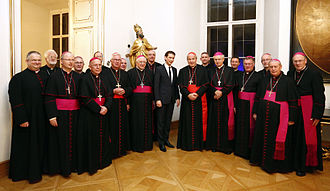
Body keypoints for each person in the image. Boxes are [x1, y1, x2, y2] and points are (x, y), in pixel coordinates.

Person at [250, 59, 298, 173]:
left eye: (275, 66)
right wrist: (255, 111)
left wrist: (291, 118)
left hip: (279, 117)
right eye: (271, 67)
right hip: (263, 115)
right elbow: (258, 97)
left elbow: (293, 101)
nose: (273, 69)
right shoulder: (264, 80)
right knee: (262, 137)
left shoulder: (288, 81)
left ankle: (276, 165)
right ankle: (261, 161)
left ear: (280, 67)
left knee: (276, 138)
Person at [8, 51, 48, 183]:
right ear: (27, 61)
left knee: (40, 144)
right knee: (26, 146)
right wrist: (21, 119)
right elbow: (15, 100)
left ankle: (40, 170)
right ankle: (24, 173)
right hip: (27, 119)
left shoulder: (45, 75)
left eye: (38, 60)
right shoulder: (18, 78)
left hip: (41, 119)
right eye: (33, 60)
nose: (37, 63)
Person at [287, 52, 325, 176]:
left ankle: (304, 166)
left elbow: (319, 95)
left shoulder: (314, 74)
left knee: (304, 138)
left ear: (305, 61)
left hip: (308, 108)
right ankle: (293, 163)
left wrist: (317, 114)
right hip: (293, 108)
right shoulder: (290, 73)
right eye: (295, 61)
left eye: (300, 61)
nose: (297, 63)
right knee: (293, 136)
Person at [45, 51, 81, 177]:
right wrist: (52, 115)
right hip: (60, 115)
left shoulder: (77, 77)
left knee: (75, 140)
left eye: (72, 60)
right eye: (68, 60)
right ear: (62, 61)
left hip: (76, 114)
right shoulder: (54, 76)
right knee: (60, 141)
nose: (71, 62)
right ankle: (61, 168)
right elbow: (49, 98)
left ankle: (74, 166)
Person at [77, 57, 112, 174]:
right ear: (90, 66)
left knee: (103, 137)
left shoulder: (105, 78)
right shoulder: (85, 79)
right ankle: (93, 164)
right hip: (90, 115)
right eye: (95, 65)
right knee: (92, 140)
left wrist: (106, 107)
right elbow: (84, 98)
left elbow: (109, 95)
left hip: (103, 113)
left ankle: (103, 161)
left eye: (99, 65)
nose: (98, 67)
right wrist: (98, 109)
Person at [177, 52, 208, 151]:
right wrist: (188, 95)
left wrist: (197, 94)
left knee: (198, 122)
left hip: (198, 99)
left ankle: (198, 145)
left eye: (193, 59)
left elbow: (205, 85)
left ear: (196, 59)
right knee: (187, 121)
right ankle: (186, 144)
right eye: (189, 59)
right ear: (187, 60)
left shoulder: (202, 70)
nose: (191, 61)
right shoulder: (183, 71)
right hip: (187, 100)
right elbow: (181, 86)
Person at [205, 52, 235, 154]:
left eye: (219, 59)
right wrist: (214, 92)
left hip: (225, 99)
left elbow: (231, 84)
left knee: (224, 122)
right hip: (214, 98)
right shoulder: (210, 70)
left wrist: (221, 92)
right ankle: (214, 145)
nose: (217, 61)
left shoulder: (229, 70)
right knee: (213, 122)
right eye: (215, 60)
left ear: (223, 60)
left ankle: (224, 147)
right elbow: (208, 84)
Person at [234, 56, 260, 159]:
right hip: (240, 104)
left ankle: (248, 151)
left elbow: (259, 94)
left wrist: (256, 110)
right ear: (243, 65)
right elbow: (236, 91)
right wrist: (235, 105)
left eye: (249, 64)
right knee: (240, 126)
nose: (247, 66)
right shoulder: (240, 75)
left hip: (251, 104)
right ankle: (239, 149)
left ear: (253, 64)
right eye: (245, 64)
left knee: (250, 127)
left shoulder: (258, 76)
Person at [154, 51, 180, 152]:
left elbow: (175, 85)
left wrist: (177, 97)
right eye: (169, 57)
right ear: (165, 57)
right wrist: (157, 99)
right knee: (161, 122)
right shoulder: (159, 69)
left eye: (173, 58)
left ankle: (166, 140)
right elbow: (156, 86)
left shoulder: (174, 70)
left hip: (171, 100)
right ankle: (161, 143)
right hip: (161, 100)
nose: (171, 60)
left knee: (168, 121)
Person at [127, 55, 154, 152]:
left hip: (147, 102)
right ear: (136, 63)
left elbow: (153, 88)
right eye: (140, 62)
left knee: (147, 123)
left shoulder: (150, 73)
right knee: (136, 123)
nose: (142, 64)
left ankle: (147, 145)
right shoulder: (130, 73)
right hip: (135, 103)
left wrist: (154, 101)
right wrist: (128, 103)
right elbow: (128, 89)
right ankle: (137, 146)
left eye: (144, 62)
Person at [108, 52, 132, 158]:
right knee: (112, 127)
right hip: (111, 105)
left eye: (119, 60)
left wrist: (124, 90)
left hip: (122, 104)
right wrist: (113, 90)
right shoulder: (106, 73)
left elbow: (130, 88)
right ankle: (112, 150)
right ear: (111, 61)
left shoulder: (125, 74)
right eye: (115, 60)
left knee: (122, 126)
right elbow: (103, 88)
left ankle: (122, 149)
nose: (117, 62)